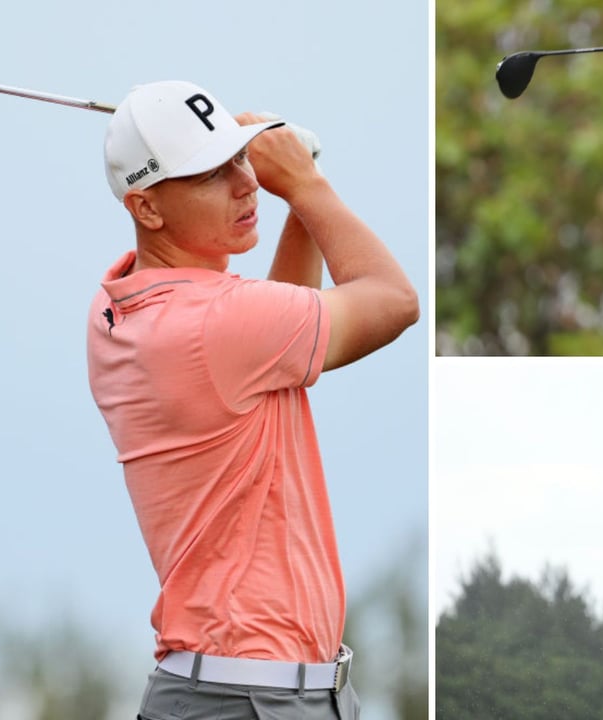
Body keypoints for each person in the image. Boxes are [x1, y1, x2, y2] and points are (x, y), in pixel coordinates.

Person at [86, 80, 419, 720]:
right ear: (146, 208)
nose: (246, 184)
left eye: (241, 157)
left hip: (239, 689)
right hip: (254, 696)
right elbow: (394, 301)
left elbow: (277, 345)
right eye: (211, 173)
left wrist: (298, 205)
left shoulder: (118, 305)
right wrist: (306, 187)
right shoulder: (212, 323)